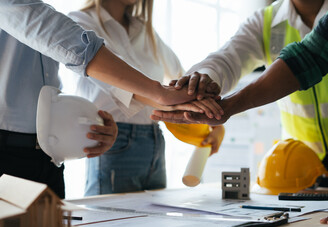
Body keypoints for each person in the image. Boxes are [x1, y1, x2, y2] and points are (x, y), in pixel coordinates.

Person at [152, 0, 328, 227]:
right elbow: (229, 58)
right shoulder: (267, 21)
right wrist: (202, 81)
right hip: (296, 167)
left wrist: (228, 105)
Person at [0, 0, 221, 199]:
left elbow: (47, 96)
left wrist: (200, 102)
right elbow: (81, 52)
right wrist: (161, 95)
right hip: (14, 152)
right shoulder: (77, 20)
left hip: (52, 154)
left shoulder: (145, 31)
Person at [68, 0, 225, 195]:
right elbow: (123, 87)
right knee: (111, 223)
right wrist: (181, 102)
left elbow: (183, 80)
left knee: (153, 222)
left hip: (155, 140)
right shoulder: (79, 22)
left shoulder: (145, 31)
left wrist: (213, 121)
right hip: (114, 140)